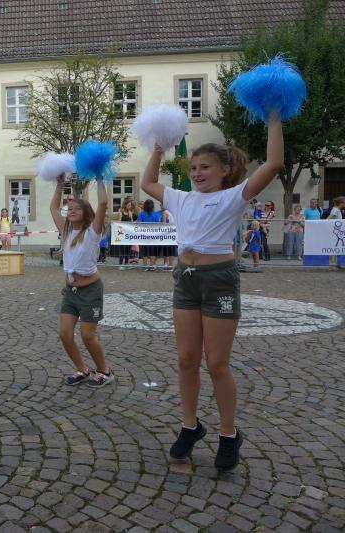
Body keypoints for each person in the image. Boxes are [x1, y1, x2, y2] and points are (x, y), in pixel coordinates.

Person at [140, 111, 284, 471]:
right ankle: (190, 426)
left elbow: (274, 164)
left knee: (217, 363)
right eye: (193, 168)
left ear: (224, 169)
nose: (197, 173)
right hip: (185, 278)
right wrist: (158, 148)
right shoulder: (180, 198)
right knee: (186, 360)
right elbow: (148, 183)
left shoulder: (235, 196)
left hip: (219, 279)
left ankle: (228, 434)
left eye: (204, 167)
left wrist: (273, 119)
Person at [51, 175, 113, 388]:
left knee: (87, 336)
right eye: (70, 208)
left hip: (91, 290)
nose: (72, 211)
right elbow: (54, 208)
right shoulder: (66, 230)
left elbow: (103, 203)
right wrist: (60, 185)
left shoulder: (93, 232)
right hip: (71, 291)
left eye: (77, 208)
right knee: (65, 334)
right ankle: (83, 369)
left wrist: (100, 177)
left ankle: (104, 371)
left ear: (86, 212)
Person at [136, 199, 162, 271]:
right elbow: (158, 224)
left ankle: (145, 266)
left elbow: (138, 222)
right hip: (153, 235)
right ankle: (152, 265)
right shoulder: (155, 214)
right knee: (152, 251)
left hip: (144, 235)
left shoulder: (142, 214)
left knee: (144, 251)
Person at [112, 197, 137, 268]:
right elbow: (119, 223)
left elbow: (131, 222)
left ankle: (126, 263)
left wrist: (134, 223)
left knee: (128, 249)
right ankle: (120, 264)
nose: (130, 206)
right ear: (125, 205)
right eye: (129, 205)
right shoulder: (121, 213)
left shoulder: (130, 213)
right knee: (122, 249)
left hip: (128, 234)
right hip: (122, 234)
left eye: (130, 205)